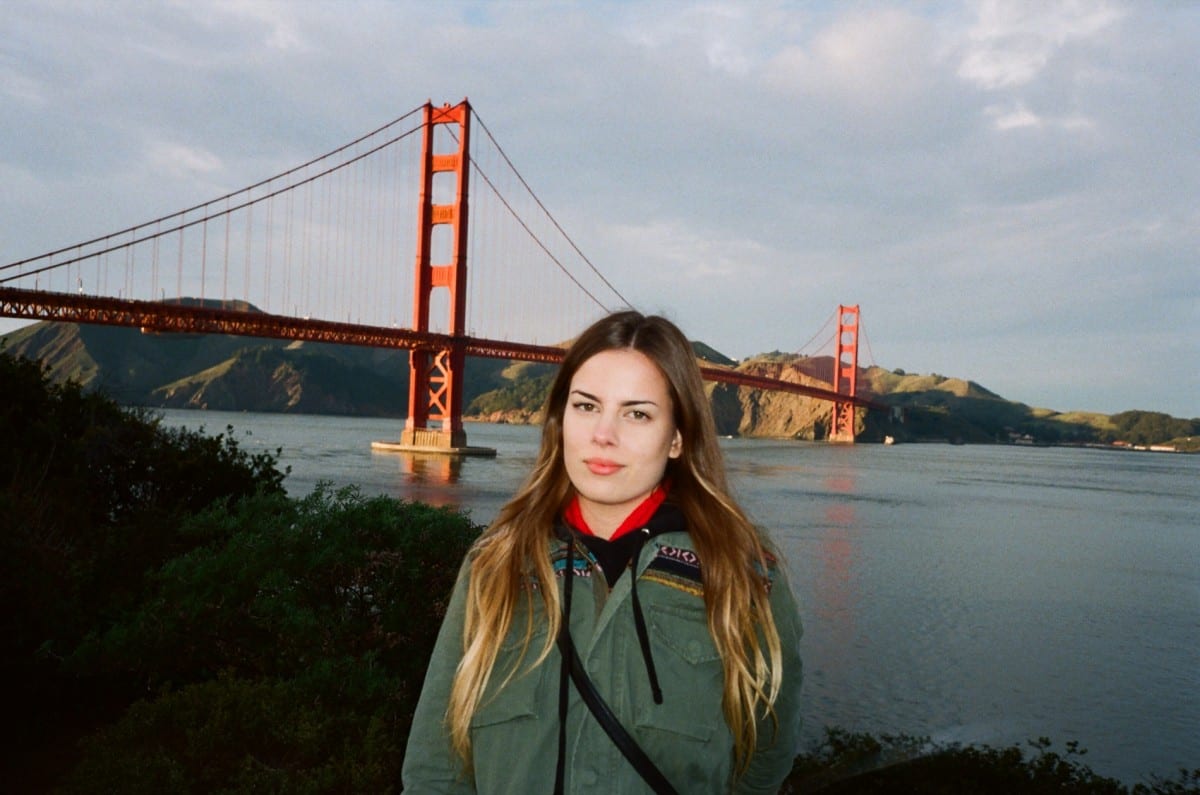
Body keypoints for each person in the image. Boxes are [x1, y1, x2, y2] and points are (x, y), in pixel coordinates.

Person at [403, 310, 803, 794]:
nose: (603, 435)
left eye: (637, 413)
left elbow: (764, 759)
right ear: (559, 418)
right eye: (586, 406)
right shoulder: (496, 564)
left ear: (677, 437)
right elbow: (435, 767)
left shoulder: (742, 571)